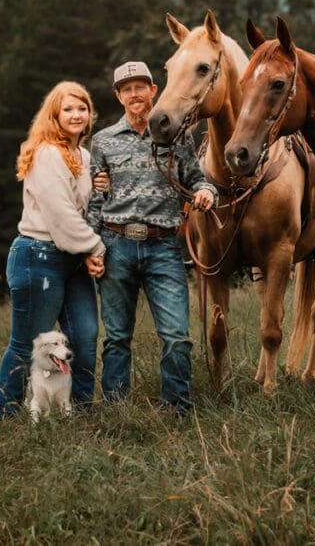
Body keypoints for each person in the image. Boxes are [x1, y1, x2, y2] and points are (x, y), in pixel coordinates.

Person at [89, 61, 216, 413]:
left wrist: (206, 193)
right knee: (116, 338)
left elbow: (199, 179)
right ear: (118, 96)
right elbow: (96, 203)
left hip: (163, 247)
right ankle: (117, 410)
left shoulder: (176, 135)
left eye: (140, 87)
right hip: (116, 246)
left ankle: (176, 408)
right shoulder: (103, 142)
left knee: (176, 336)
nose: (134, 94)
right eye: (126, 89)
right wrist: (92, 248)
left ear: (153, 91)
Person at [0, 81, 107, 419]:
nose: (76, 114)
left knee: (83, 339)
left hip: (74, 260)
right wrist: (95, 248)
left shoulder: (82, 156)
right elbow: (61, 215)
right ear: (53, 115)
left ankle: (79, 414)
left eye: (81, 108)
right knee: (27, 345)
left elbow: (84, 210)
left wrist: (102, 188)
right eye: (67, 109)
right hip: (38, 257)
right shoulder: (46, 153)